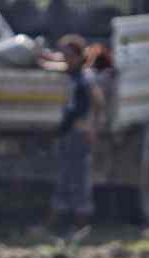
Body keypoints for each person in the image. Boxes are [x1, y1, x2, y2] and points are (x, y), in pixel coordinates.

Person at [44, 35, 99, 235]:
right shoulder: (76, 75)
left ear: (77, 56)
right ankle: (65, 222)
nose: (65, 58)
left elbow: (84, 107)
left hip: (77, 133)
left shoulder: (82, 79)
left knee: (77, 178)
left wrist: (88, 126)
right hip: (71, 133)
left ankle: (80, 224)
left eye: (68, 54)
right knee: (66, 176)